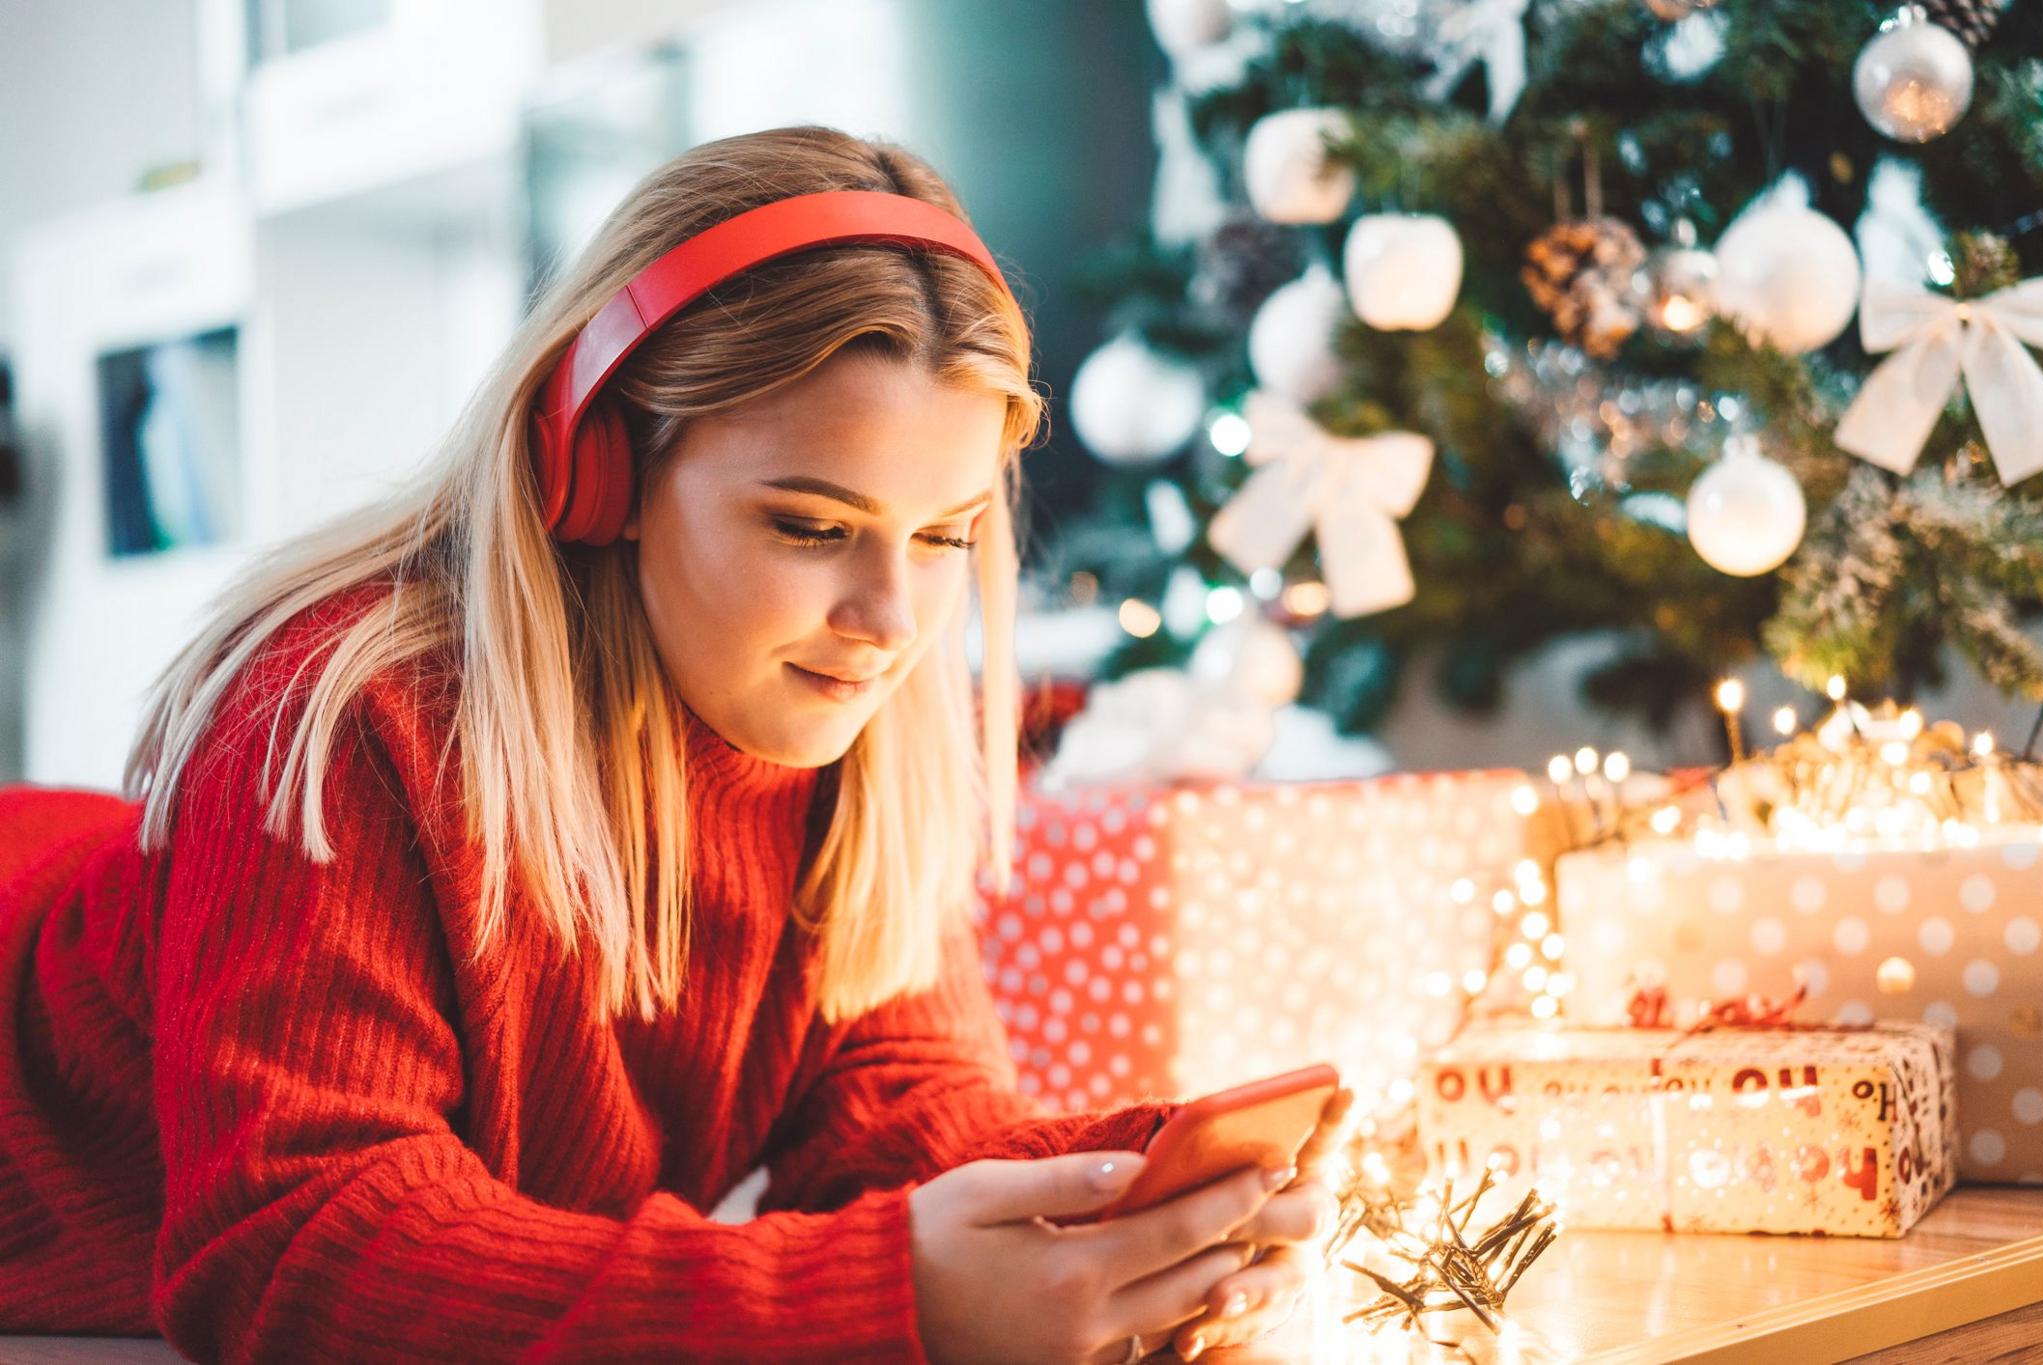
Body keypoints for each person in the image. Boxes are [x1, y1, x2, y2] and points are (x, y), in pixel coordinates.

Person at [0, 126, 1350, 1363]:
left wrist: (1120, 1204)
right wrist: (883, 1295)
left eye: (942, 537)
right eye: (812, 526)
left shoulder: (848, 729)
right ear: (599, 469)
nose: (890, 621)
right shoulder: (342, 708)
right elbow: (301, 1240)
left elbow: (894, 1113)